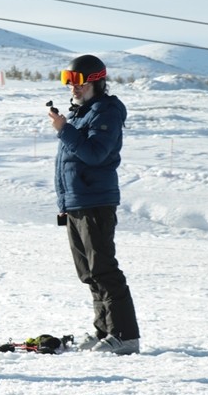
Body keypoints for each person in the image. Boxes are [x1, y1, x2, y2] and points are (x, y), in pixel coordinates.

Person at [48, 55, 140, 355]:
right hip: (76, 202)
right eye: (67, 80)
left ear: (96, 81)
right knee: (88, 271)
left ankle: (125, 335)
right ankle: (105, 330)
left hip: (96, 201)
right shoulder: (81, 114)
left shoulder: (106, 112)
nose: (71, 87)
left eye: (77, 81)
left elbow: (95, 154)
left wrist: (64, 129)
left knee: (103, 268)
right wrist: (64, 201)